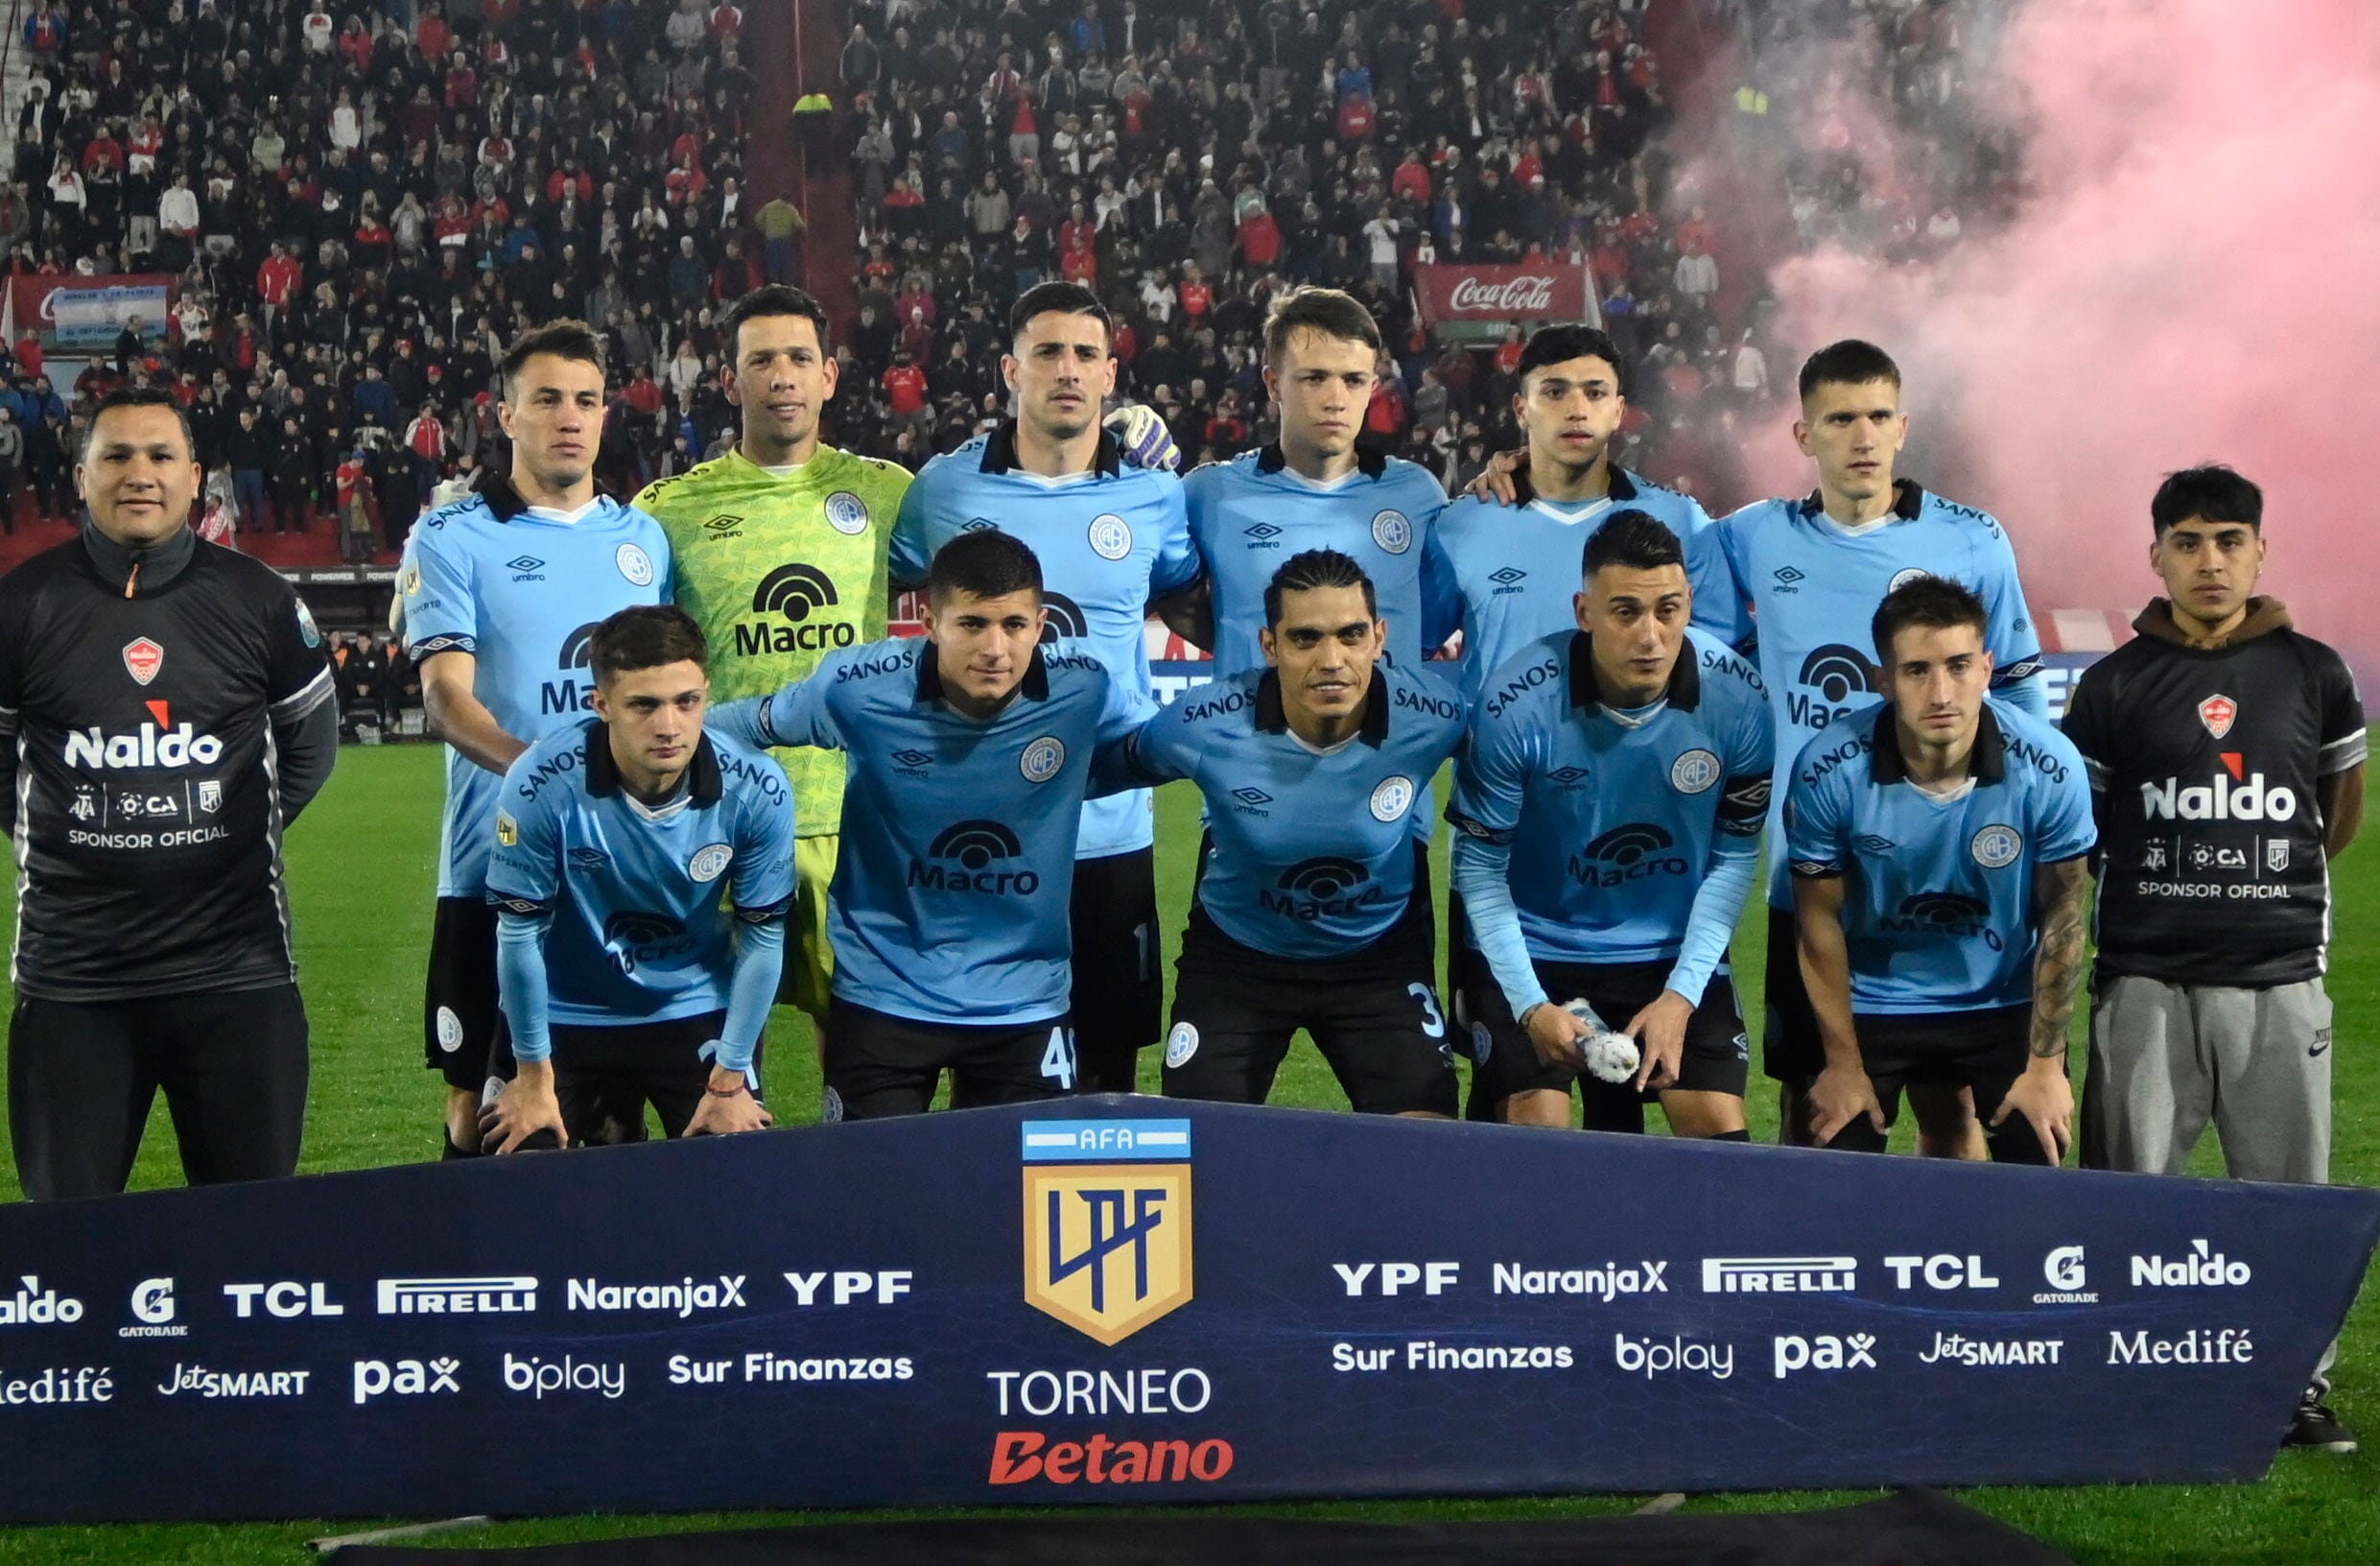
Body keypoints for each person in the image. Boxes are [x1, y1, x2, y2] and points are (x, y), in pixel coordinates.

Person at [2063, 464, 2365, 1452]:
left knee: (2287, 1199)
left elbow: (2334, 816)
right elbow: (2088, 834)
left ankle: (2295, 1389)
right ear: (2155, 555)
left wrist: (2254, 890)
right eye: (2187, 542)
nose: (2209, 560)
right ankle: (2129, 1374)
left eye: (2229, 540)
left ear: (2260, 551)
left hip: (2278, 980)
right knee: (2131, 1196)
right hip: (2144, 977)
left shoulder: (2315, 671)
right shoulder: (2111, 685)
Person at [0, 387, 338, 1199]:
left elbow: (311, 749)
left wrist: (224, 827)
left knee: (249, 1255)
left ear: (196, 478)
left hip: (238, 975)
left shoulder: (258, 598)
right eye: (115, 455)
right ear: (80, 478)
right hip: (73, 983)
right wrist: (63, 835)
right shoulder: (20, 605)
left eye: (160, 456)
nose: (138, 474)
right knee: (71, 1254)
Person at [1715, 340, 2049, 1153]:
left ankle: (1945, 1271)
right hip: (1813, 866)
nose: (1860, 436)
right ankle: (1826, 1267)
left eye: (1875, 417)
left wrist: (2003, 818)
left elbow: (2019, 696)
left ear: (1901, 428)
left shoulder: (1973, 540)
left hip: (1941, 862)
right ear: (1803, 436)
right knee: (1818, 1106)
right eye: (1838, 419)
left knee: (1952, 1106)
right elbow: (1673, 598)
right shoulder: (1753, 538)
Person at [706, 530, 1143, 1121]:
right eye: (971, 624)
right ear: (930, 622)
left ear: (1040, 626)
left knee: (1013, 1204)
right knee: (870, 1196)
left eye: (1014, 625)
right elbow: (738, 726)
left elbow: (1156, 748)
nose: (995, 648)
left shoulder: (1084, 689)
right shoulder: (858, 691)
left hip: (1025, 1002)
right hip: (884, 992)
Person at [891, 281, 1202, 1093]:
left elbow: (1185, 592)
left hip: (1109, 834)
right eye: (1048, 352)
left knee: (1106, 1072)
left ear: (1109, 376)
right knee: (983, 1069)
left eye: (1086, 355)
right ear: (1010, 369)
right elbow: (878, 596)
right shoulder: (942, 490)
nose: (1067, 369)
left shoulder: (1155, 495)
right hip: (979, 831)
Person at [402, 320, 674, 1159]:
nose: (570, 416)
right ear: (504, 414)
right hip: (491, 866)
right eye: (547, 398)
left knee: (611, 1114)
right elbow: (446, 704)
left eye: (587, 400)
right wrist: (553, 780)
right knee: (480, 1119)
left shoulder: (643, 541)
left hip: (622, 869)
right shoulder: (451, 535)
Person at [633, 286, 912, 1069]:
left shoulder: (891, 493)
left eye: (798, 358)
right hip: (717, 817)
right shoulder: (668, 509)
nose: (781, 375)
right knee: (717, 1061)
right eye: (762, 360)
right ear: (730, 381)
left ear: (829, 375)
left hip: (853, 816)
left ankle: (848, 1192)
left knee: (859, 1059)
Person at [1107, 551, 1466, 1117]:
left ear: (1379, 637)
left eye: (1351, 635)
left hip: (1376, 959)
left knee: (1429, 1145)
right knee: (1196, 1150)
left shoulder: (1436, 717)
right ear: (1270, 647)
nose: (1332, 659)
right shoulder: (1203, 725)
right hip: (1238, 960)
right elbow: (1097, 769)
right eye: (1305, 638)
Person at [1449, 512, 1772, 1136]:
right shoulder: (1516, 704)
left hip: (1665, 951)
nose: (1650, 636)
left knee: (1722, 1145)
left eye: (1668, 610)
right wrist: (1530, 1006)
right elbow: (1478, 872)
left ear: (1688, 607)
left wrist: (1679, 998)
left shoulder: (1737, 701)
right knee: (1540, 1140)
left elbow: (1732, 859)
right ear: (1584, 611)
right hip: (1536, 947)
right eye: (1625, 612)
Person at [1785, 577, 2093, 1165]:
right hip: (1875, 1001)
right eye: (1917, 670)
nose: (1941, 691)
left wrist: (2045, 1068)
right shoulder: (1826, 770)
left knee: (2036, 1151)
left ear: (1987, 667)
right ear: (1884, 680)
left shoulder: (2051, 767)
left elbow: (2065, 915)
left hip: (2000, 1001)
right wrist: (1844, 1064)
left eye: (1958, 666)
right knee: (1833, 1155)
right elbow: (1816, 922)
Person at [480, 606, 794, 1153]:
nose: (669, 726)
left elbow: (763, 939)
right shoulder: (539, 783)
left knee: (739, 1171)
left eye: (686, 701)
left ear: (706, 695)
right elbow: (518, 936)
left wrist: (730, 1078)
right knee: (516, 1169)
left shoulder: (758, 788)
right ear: (600, 704)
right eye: (643, 705)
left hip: (690, 1005)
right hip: (563, 1011)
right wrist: (532, 1078)